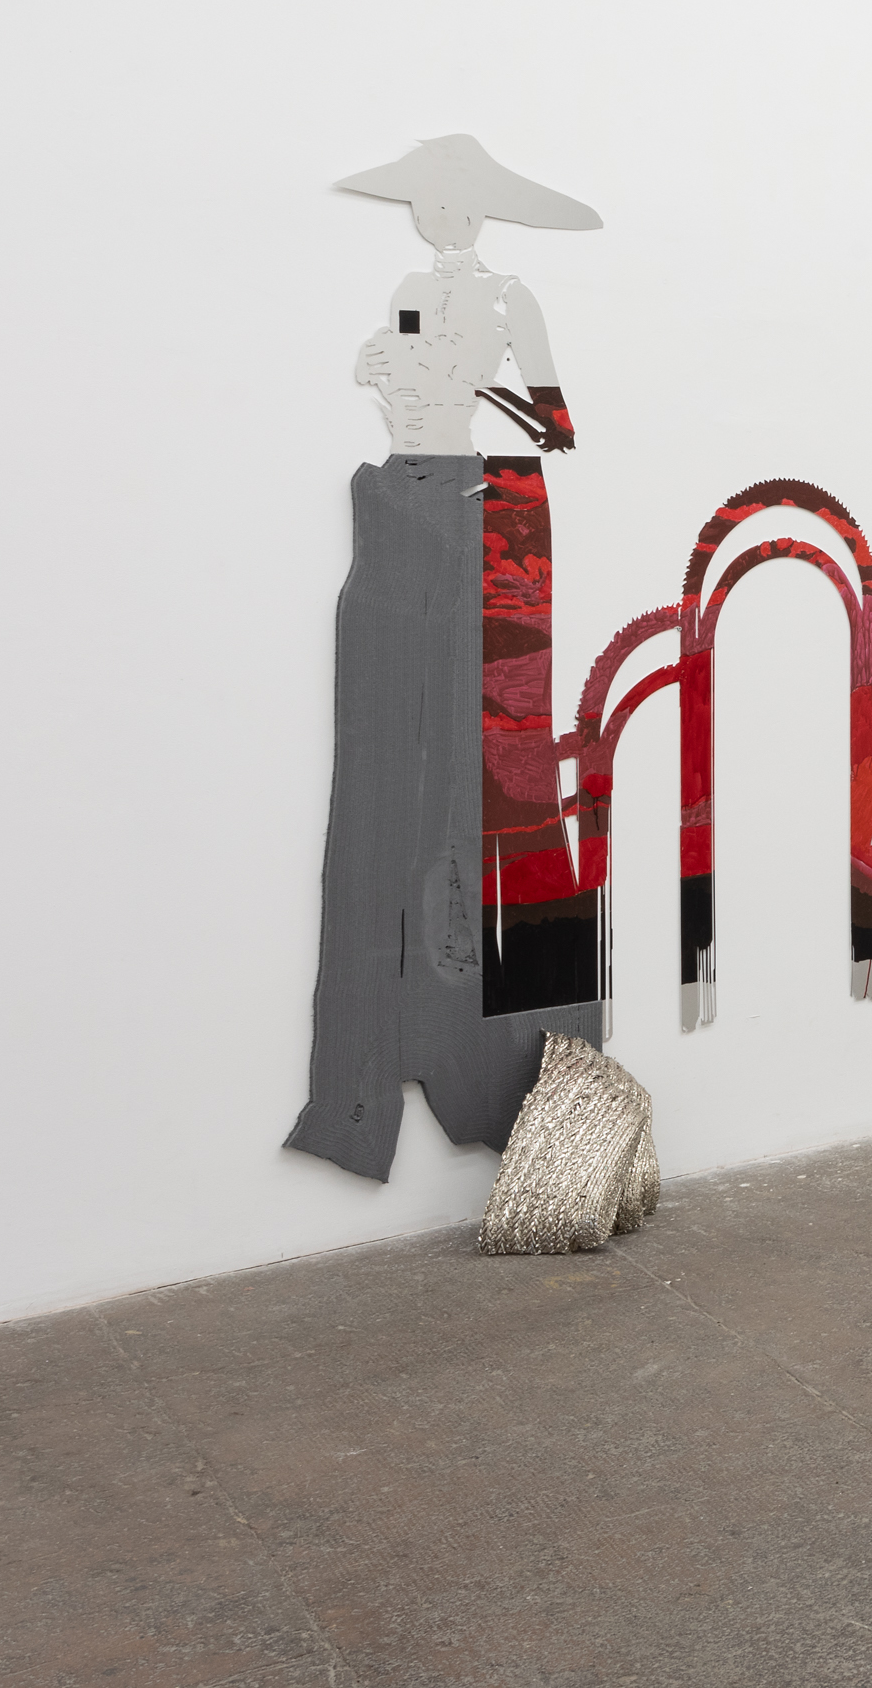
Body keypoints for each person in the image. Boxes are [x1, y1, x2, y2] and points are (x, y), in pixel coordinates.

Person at [286, 137, 602, 1181]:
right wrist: (401, 372)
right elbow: (399, 362)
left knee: (503, 772)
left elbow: (552, 417)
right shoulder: (415, 292)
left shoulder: (511, 300)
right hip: (406, 493)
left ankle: (515, 1069)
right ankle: (369, 1068)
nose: (446, 221)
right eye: (431, 204)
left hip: (493, 510)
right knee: (382, 777)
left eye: (461, 204)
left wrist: (478, 396)